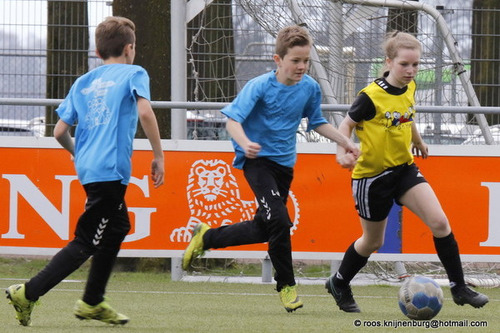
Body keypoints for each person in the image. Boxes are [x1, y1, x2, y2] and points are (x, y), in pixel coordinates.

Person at [182, 25, 360, 313]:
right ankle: (287, 285)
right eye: (295, 61)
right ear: (278, 60)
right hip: (255, 162)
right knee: (279, 219)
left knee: (265, 226)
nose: (302, 66)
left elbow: (317, 122)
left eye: (306, 61)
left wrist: (346, 142)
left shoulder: (310, 89)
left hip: (284, 167)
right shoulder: (260, 86)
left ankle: (207, 237)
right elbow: (232, 121)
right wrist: (244, 142)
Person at [5, 16, 164, 326]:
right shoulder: (134, 72)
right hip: (110, 171)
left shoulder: (83, 82)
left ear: (97, 50)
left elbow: (59, 131)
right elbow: (145, 111)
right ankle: (29, 292)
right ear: (130, 48)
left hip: (90, 169)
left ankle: (92, 300)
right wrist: (158, 155)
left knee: (117, 226)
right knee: (86, 240)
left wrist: (82, 154)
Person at [325, 31, 489, 313]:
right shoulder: (370, 96)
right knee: (372, 241)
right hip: (372, 178)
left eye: (415, 65)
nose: (411, 71)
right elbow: (346, 125)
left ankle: (459, 288)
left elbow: (408, 114)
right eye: (404, 64)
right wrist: (343, 151)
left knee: (440, 223)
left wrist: (418, 140)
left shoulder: (409, 88)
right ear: (389, 62)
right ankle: (339, 282)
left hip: (404, 170)